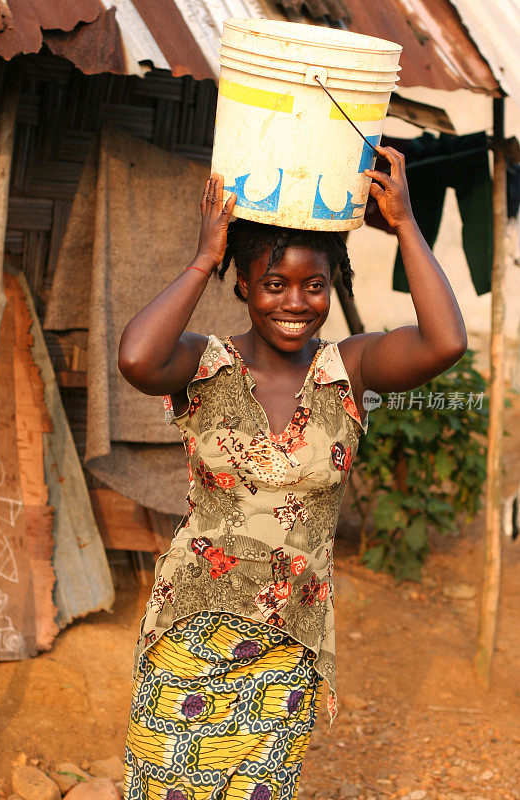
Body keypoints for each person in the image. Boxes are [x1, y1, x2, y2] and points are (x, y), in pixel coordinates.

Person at [118, 146, 467, 800]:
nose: (296, 302)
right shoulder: (203, 363)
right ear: (243, 284)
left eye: (315, 285)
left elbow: (444, 342)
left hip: (288, 647)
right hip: (189, 634)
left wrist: (407, 226)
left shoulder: (349, 371)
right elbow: (136, 358)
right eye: (274, 283)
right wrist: (202, 258)